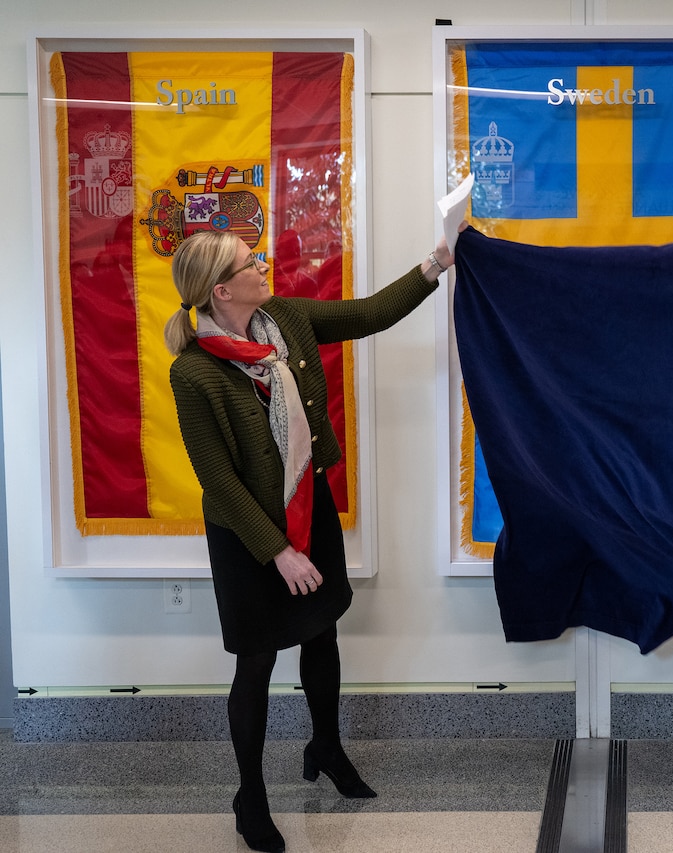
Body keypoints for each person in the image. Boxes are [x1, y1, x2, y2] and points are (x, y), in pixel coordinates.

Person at [163, 226, 459, 853]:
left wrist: (439, 259)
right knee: (258, 659)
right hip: (249, 534)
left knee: (321, 631)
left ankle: (325, 746)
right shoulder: (193, 372)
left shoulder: (287, 319)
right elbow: (217, 479)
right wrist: (279, 551)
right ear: (222, 289)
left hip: (308, 507)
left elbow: (371, 313)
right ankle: (250, 796)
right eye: (252, 262)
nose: (264, 264)